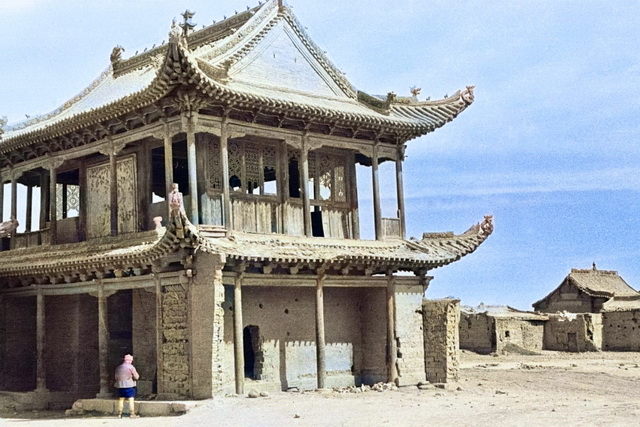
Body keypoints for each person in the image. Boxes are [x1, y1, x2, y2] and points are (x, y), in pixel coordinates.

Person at [114, 354, 140, 418]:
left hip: (120, 385)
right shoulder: (131, 367)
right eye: (131, 360)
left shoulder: (118, 367)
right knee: (131, 399)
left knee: (121, 399)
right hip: (129, 385)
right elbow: (136, 377)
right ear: (130, 361)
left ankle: (119, 414)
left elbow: (116, 377)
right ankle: (132, 413)